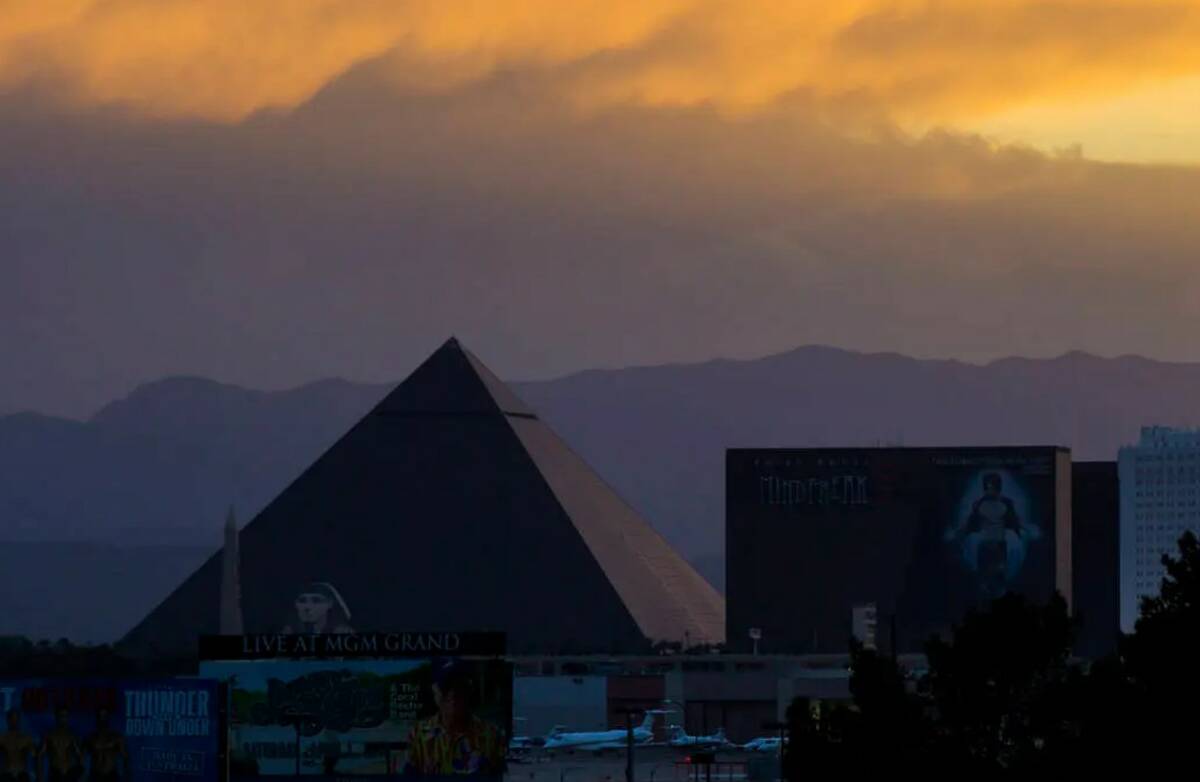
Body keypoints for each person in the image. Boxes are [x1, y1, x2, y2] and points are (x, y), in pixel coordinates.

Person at [945, 472, 1041, 599]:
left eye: (992, 487)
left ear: (998, 487)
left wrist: (1028, 530)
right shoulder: (979, 504)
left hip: (999, 547)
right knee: (983, 584)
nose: (990, 490)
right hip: (984, 547)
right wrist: (956, 533)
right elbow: (969, 523)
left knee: (1000, 581)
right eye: (987, 487)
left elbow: (1015, 521)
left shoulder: (1006, 503)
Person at [403, 660, 504, 776]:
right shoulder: (417, 736)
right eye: (446, 686)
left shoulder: (491, 736)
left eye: (459, 686)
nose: (453, 693)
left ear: (469, 690)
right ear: (435, 692)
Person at [282, 582, 354, 634]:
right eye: (302, 601)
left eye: (316, 601)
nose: (308, 607)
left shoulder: (343, 632)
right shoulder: (288, 632)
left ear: (330, 603)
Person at [83, 709, 128, 782]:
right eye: (100, 716)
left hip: (111, 775)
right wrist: (84, 775)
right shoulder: (90, 738)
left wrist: (126, 775)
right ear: (97, 718)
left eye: (104, 716)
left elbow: (125, 758)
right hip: (95, 775)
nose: (102, 719)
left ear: (108, 718)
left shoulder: (116, 738)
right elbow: (83, 758)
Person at [40, 707, 83, 782]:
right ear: (56, 717)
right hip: (55, 771)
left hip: (70, 772)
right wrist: (40, 776)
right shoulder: (49, 735)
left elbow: (80, 756)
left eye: (65, 716)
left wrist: (80, 775)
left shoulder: (73, 736)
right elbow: (40, 756)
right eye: (61, 716)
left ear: (67, 717)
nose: (63, 718)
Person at [0, 710, 36, 782]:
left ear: (19, 720)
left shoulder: (26, 738)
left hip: (22, 773)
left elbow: (34, 755)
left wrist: (33, 773)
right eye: (12, 719)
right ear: (8, 720)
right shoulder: (2, 738)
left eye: (16, 719)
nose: (14, 721)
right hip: (7, 772)